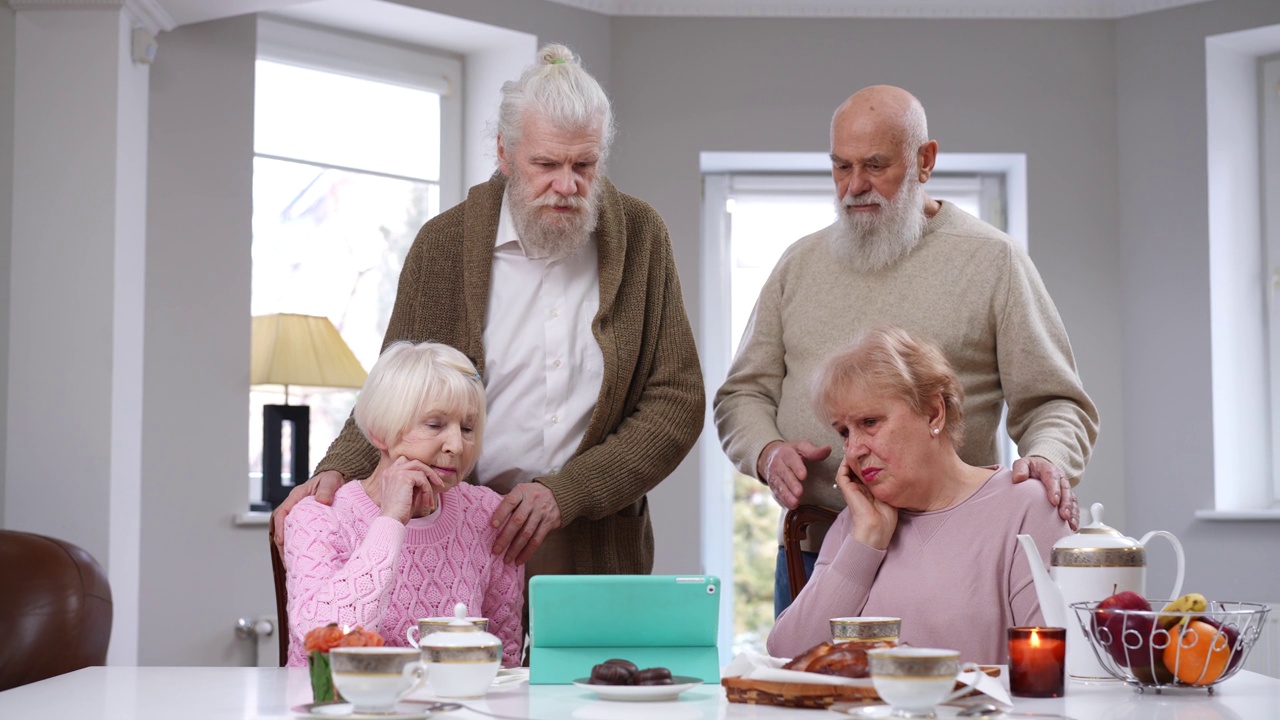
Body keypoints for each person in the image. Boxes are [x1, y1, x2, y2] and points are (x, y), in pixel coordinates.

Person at [274, 44, 704, 583]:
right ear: (504, 153)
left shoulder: (642, 238)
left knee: (596, 672)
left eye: (584, 165)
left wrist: (567, 492)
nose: (567, 186)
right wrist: (334, 473)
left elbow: (677, 400)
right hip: (454, 530)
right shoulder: (444, 245)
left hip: (594, 537)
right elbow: (396, 392)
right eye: (546, 165)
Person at [713, 85, 1099, 617]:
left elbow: (1057, 402)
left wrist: (1046, 460)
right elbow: (741, 394)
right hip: (814, 555)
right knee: (803, 695)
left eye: (874, 165)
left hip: (951, 559)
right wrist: (767, 451)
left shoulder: (993, 261)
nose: (854, 186)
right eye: (841, 167)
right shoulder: (797, 265)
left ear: (924, 160)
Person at [766, 327, 1071, 664]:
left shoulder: (1026, 505)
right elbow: (787, 654)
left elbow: (1053, 671)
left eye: (869, 422)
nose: (853, 449)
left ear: (933, 413)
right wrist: (867, 540)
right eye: (844, 432)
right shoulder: (857, 522)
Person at [284, 341, 523, 667]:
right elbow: (326, 637)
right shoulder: (318, 517)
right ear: (381, 431)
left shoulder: (487, 515)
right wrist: (390, 521)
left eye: (467, 428)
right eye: (435, 425)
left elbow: (503, 660)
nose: (456, 445)